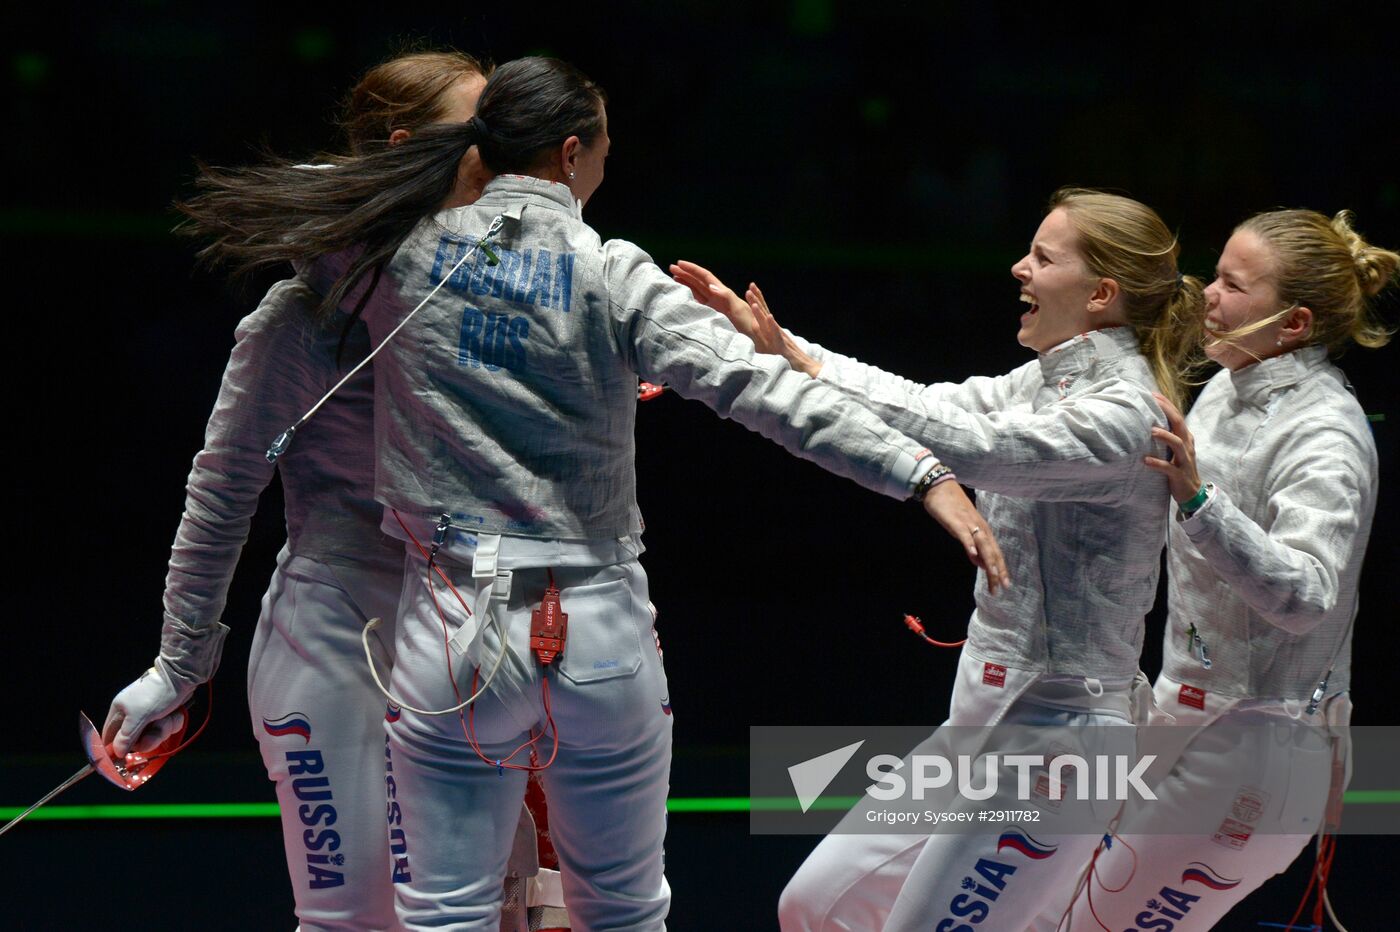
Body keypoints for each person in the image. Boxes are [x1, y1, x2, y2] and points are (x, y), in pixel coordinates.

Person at [170, 55, 1007, 930]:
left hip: (455, 634)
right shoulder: (614, 273)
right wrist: (923, 476)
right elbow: (768, 394)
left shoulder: (398, 259)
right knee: (624, 911)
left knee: (446, 913)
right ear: (571, 154)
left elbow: (315, 223)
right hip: (600, 633)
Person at [674, 187, 1206, 931]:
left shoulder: (1127, 415)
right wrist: (787, 349)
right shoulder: (1046, 380)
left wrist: (800, 368)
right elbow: (932, 403)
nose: (1019, 268)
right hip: (980, 719)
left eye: (1043, 258)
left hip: (1059, 739)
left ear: (1100, 294)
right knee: (814, 906)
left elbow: (973, 449)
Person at [100, 50, 497, 932]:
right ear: (412, 145)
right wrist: (179, 664)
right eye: (479, 132)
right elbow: (221, 493)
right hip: (333, 640)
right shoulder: (298, 324)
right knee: (357, 918)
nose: (501, 150)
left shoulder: (500, 314)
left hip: (465, 636)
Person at [1050, 209, 1395, 931]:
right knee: (1042, 910)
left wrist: (1200, 500)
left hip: (1258, 754)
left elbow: (1307, 594)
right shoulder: (1226, 388)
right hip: (1181, 724)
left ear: (1294, 323)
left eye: (1235, 286)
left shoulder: (1325, 431)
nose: (1208, 294)